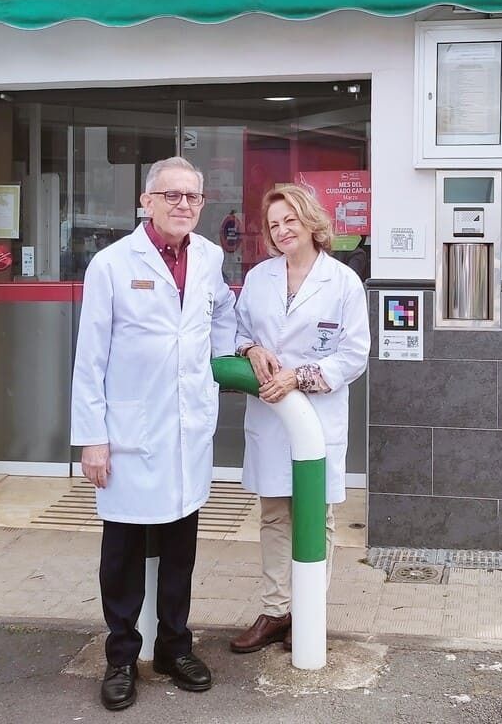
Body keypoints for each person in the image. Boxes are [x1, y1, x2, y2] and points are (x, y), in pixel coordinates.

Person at [71, 156, 236, 710]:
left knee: (180, 548)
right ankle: (121, 657)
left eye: (193, 197)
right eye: (172, 195)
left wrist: (233, 355)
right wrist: (92, 437)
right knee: (121, 552)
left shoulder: (210, 257)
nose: (183, 205)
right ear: (146, 201)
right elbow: (89, 359)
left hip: (187, 428)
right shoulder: (113, 264)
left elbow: (223, 317)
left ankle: (174, 646)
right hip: (128, 431)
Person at [229, 184, 370, 654]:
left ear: (311, 221)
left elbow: (354, 354)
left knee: (316, 514)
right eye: (273, 225)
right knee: (273, 514)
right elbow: (240, 329)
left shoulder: (343, 282)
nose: (282, 230)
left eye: (290, 220)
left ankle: (308, 610)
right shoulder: (259, 278)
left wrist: (300, 377)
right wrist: (252, 348)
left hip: (317, 412)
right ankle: (275, 610)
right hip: (271, 415)